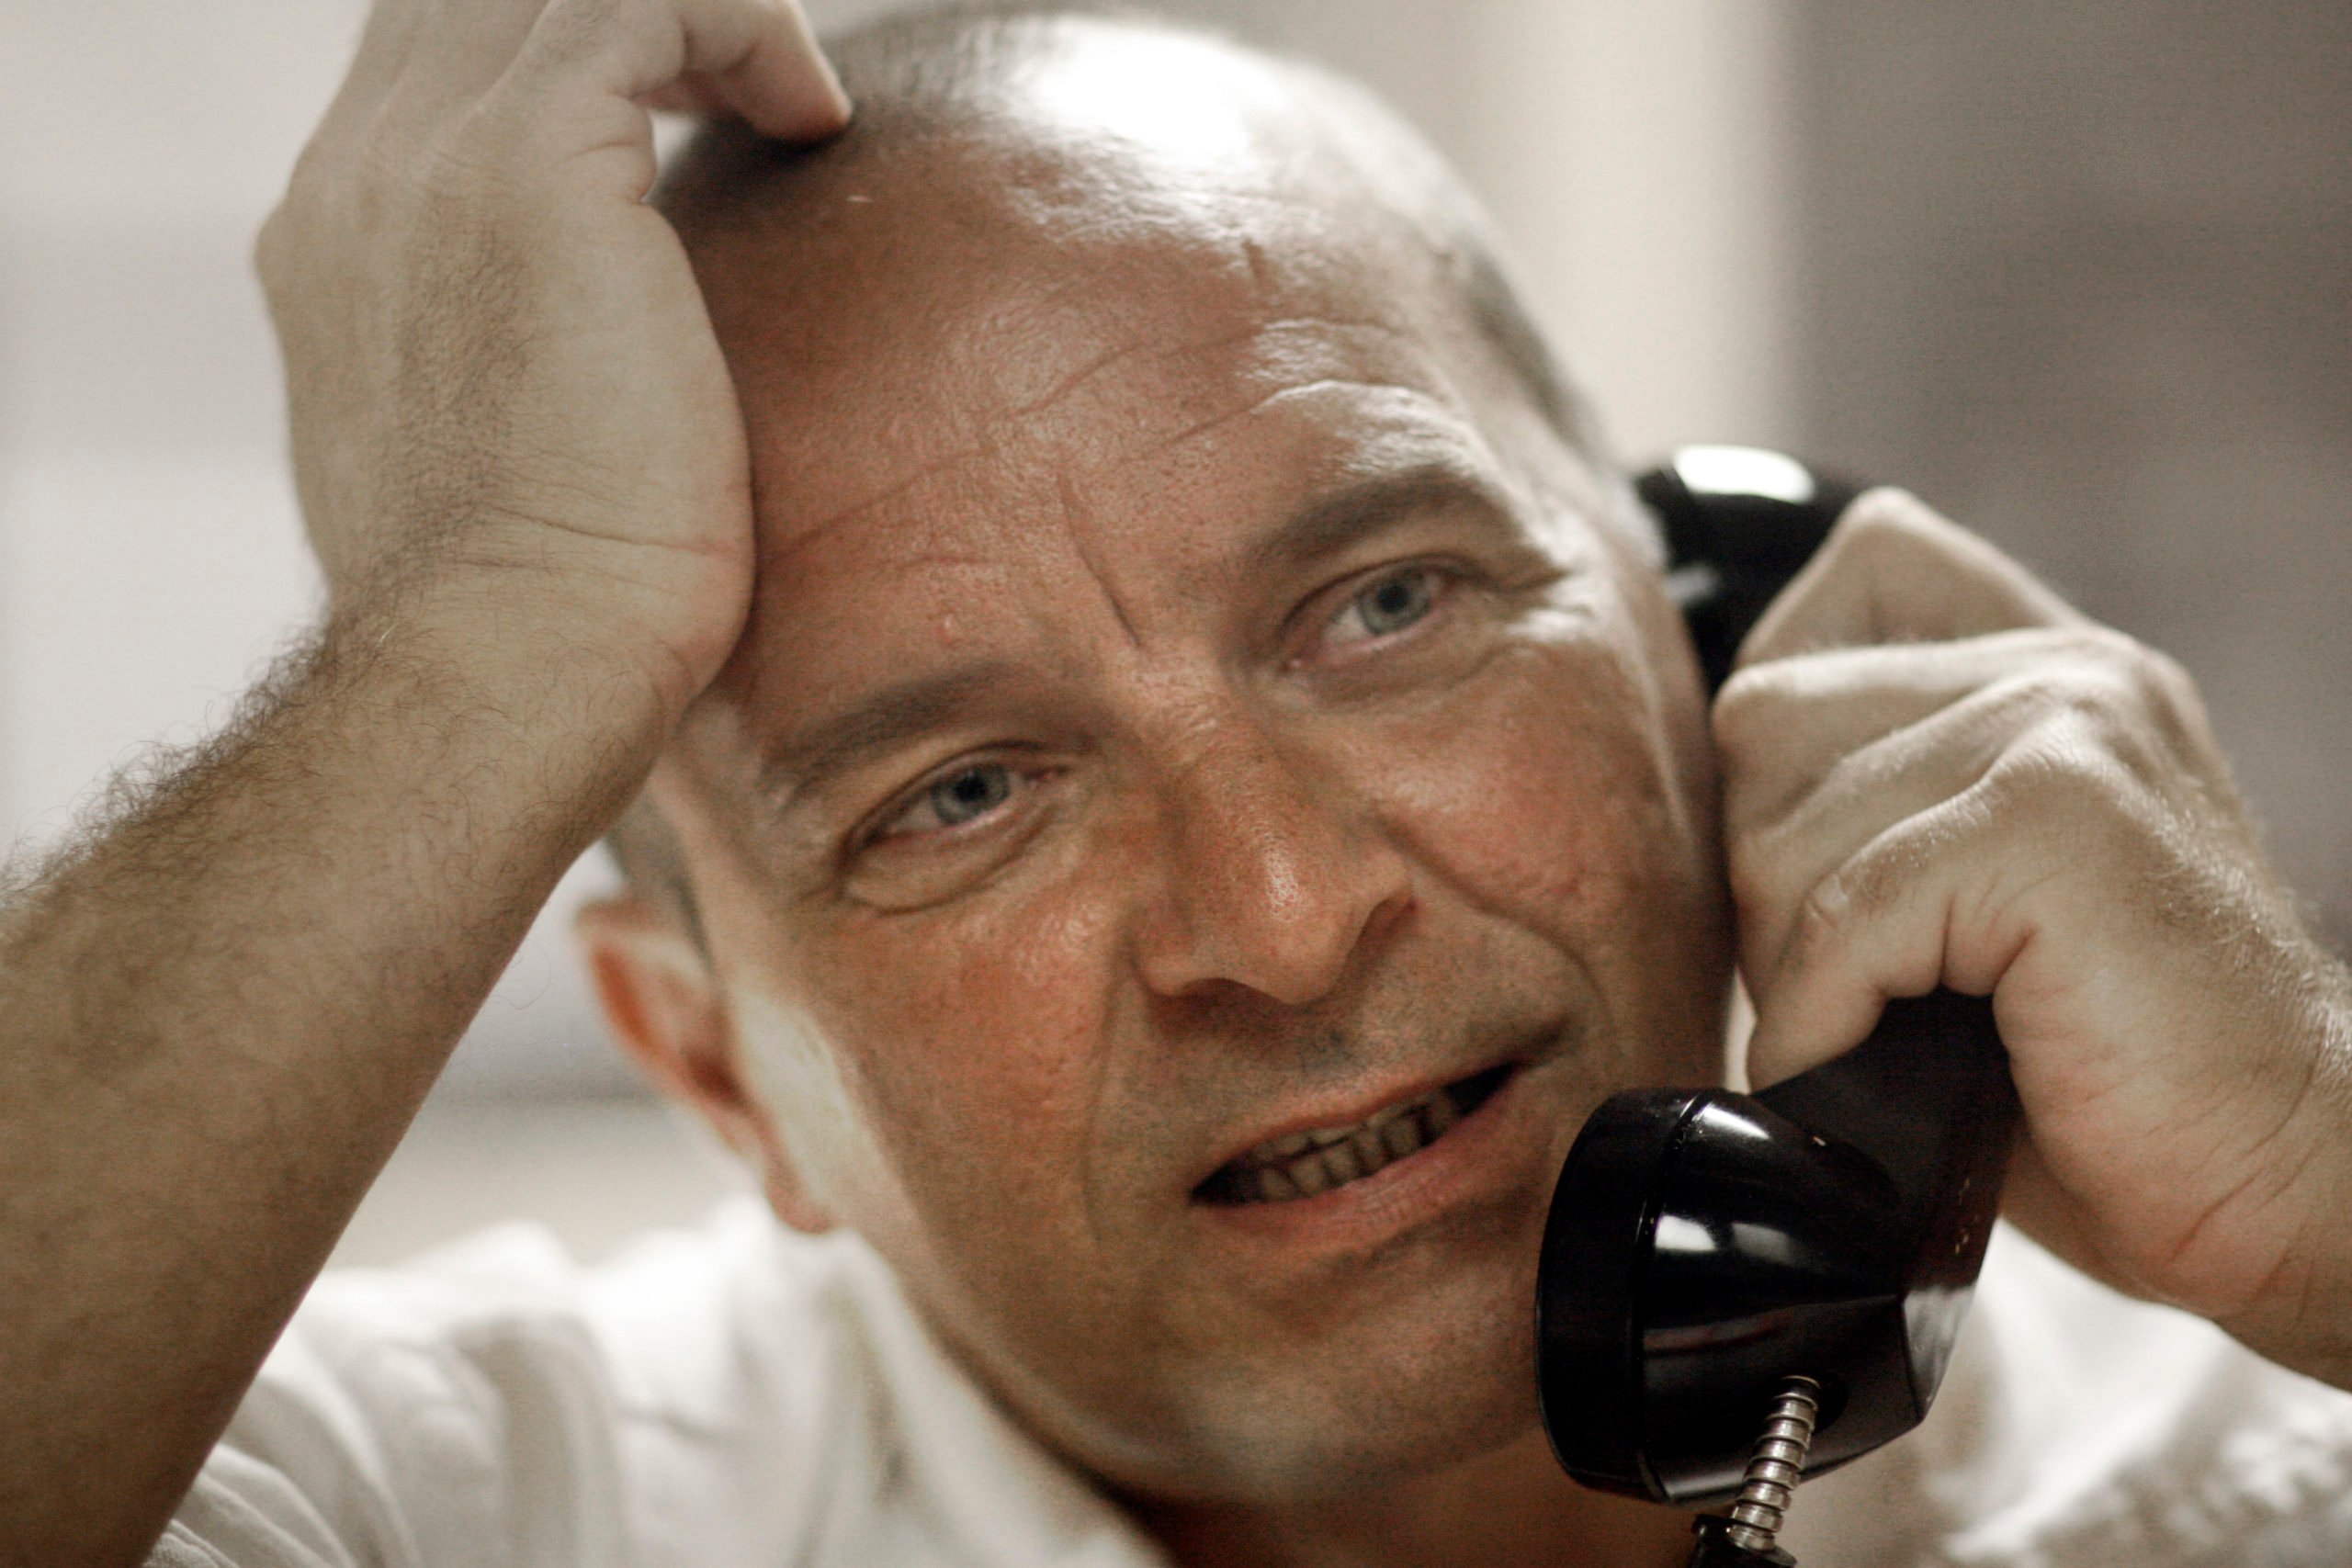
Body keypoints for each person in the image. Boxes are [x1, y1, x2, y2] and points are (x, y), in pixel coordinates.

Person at [3, 2, 2348, 1565]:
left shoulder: (2260, 1463)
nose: (1284, 911)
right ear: (715, 1066)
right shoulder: (477, 1504)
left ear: (1702, 641)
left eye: (1389, 608)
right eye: (959, 794)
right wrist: (485, 610)